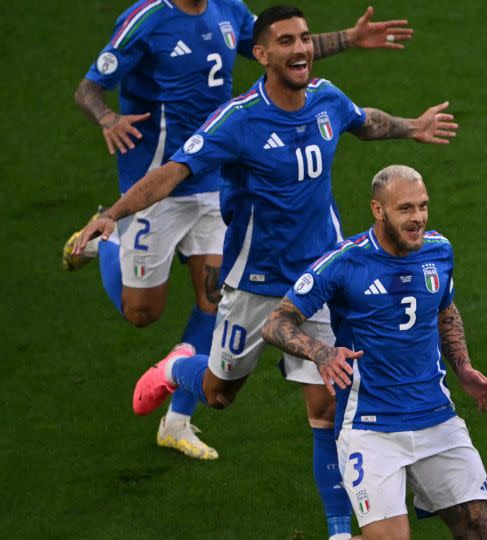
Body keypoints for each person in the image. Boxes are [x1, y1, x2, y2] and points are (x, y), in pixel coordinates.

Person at [73, 7, 455, 540]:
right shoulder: (239, 120)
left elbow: (362, 121)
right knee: (219, 393)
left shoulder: (325, 97)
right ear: (261, 54)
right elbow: (174, 171)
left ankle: (340, 530)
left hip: (320, 279)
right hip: (253, 287)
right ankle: (174, 370)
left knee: (327, 402)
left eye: (303, 39)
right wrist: (111, 215)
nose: (299, 49)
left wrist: (411, 127)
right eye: (285, 41)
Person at [261, 164, 487, 540]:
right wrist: (322, 353)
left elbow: (445, 310)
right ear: (378, 210)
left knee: (478, 528)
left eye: (423, 206)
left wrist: (464, 367)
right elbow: (276, 322)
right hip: (371, 428)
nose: (418, 218)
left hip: (435, 416)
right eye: (405, 208)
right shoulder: (344, 262)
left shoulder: (439, 251)